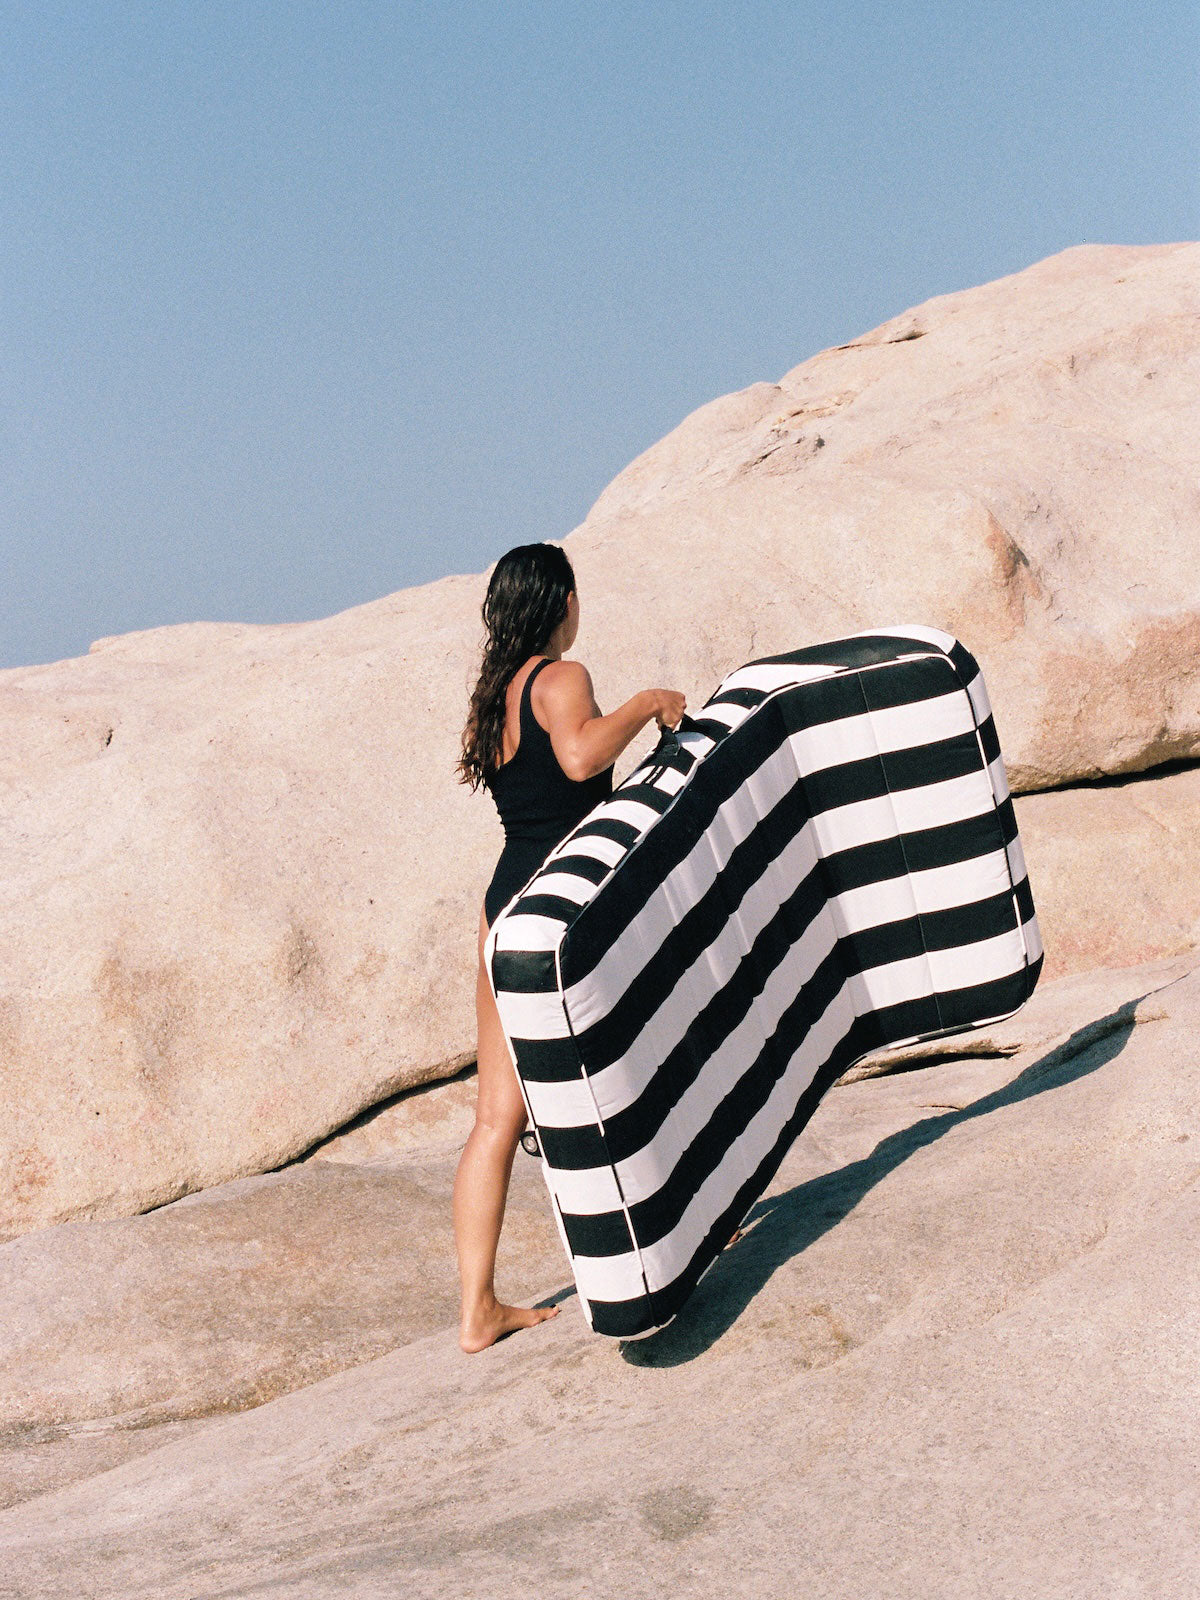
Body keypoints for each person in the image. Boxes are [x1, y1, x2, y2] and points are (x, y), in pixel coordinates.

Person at [453, 541, 686, 1353]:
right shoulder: (563, 678)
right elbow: (585, 755)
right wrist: (649, 701)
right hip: (566, 910)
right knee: (638, 1062)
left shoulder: (496, 695)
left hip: (502, 911)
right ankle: (683, 1231)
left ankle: (477, 1311)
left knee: (496, 1118)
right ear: (562, 603)